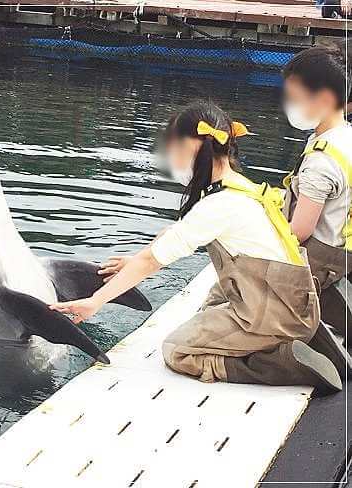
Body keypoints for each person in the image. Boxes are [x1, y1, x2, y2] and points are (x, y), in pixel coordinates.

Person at [50, 101, 342, 393]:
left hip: (273, 312)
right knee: (209, 307)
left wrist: (95, 302)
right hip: (287, 299)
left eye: (175, 145)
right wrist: (132, 261)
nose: (171, 155)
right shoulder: (237, 186)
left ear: (196, 146)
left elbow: (154, 260)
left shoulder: (220, 205)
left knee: (178, 350)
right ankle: (294, 335)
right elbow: (174, 235)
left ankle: (281, 360)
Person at [282, 46, 351, 344]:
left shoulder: (321, 161)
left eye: (295, 98)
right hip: (343, 252)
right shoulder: (345, 137)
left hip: (319, 261)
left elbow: (299, 231)